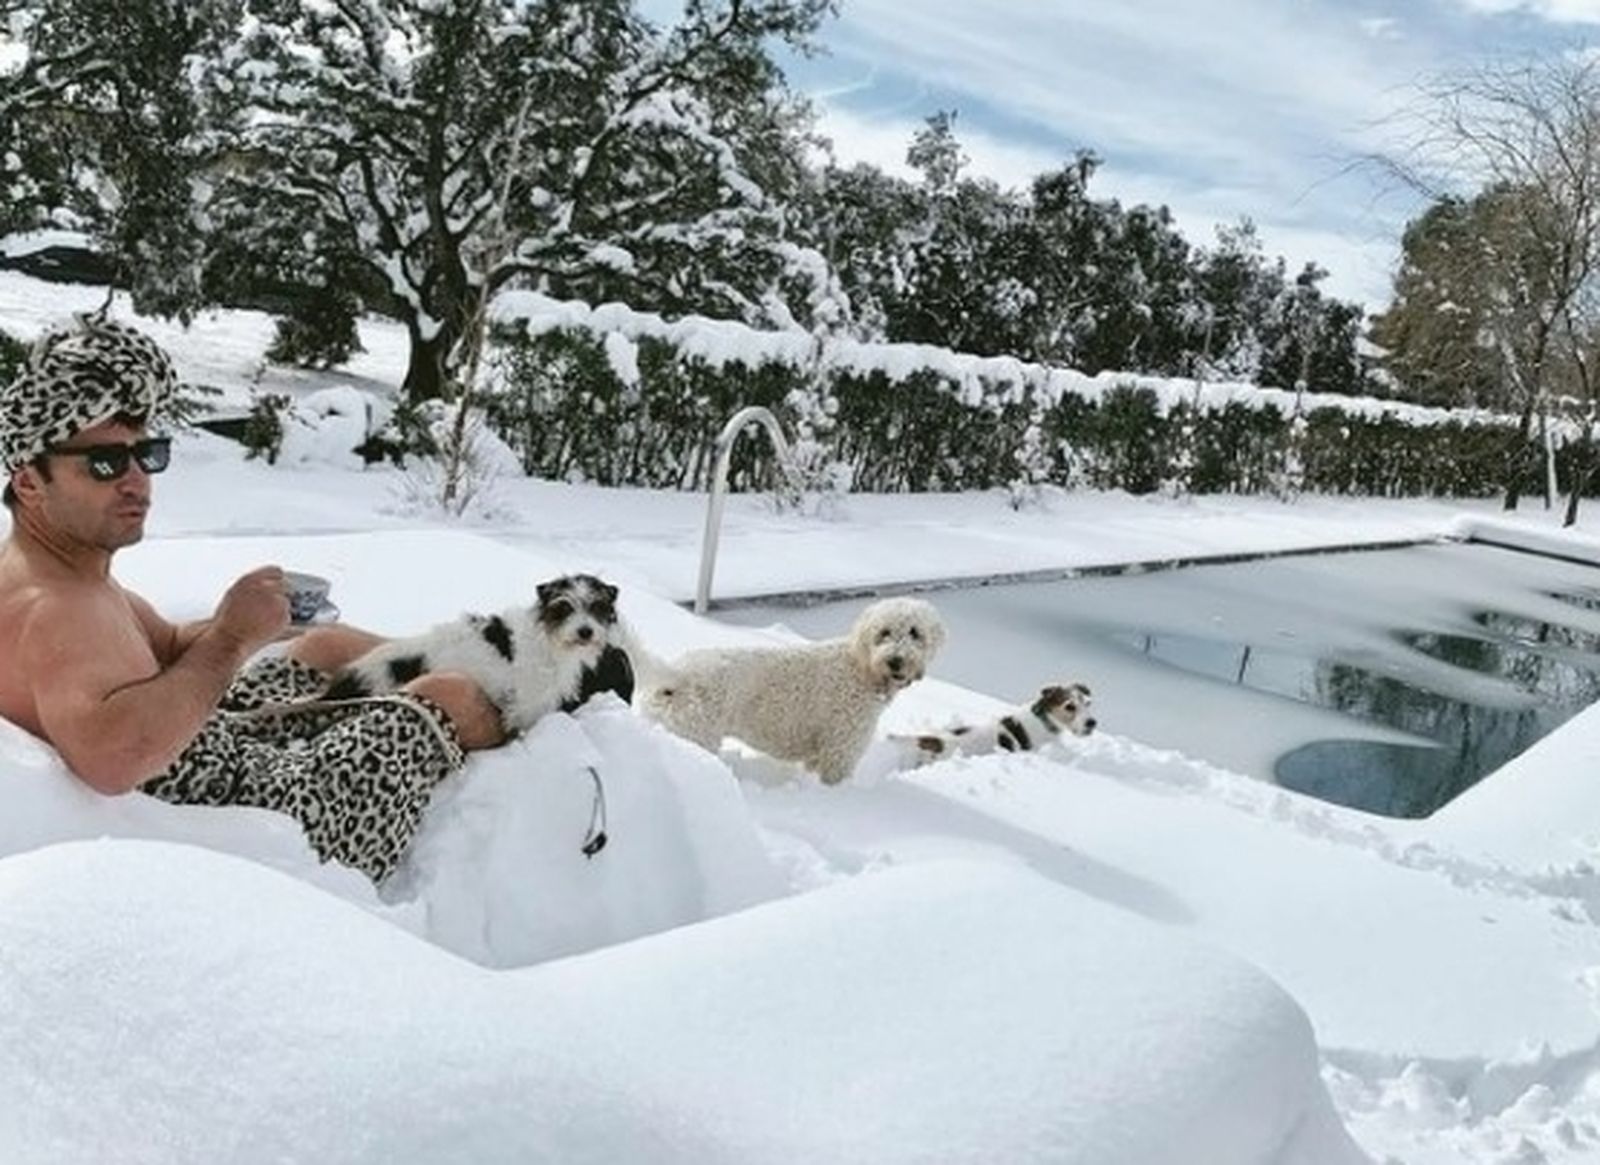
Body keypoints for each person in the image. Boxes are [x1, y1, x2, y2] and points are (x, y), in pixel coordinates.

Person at [0, 315, 504, 882]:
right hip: (262, 809)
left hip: (214, 747)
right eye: (106, 463)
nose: (137, 481)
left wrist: (253, 621)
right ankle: (538, 711)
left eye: (148, 455)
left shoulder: (62, 574)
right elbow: (115, 758)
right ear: (29, 482)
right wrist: (231, 639)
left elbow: (166, 645)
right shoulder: (56, 612)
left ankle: (487, 654)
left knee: (325, 645)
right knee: (449, 696)